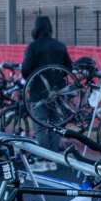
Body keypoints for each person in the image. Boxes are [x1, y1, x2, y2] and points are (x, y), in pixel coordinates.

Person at [22, 15, 72, 151]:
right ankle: (54, 157)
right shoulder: (60, 46)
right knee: (56, 125)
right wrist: (57, 77)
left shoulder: (33, 47)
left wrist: (33, 80)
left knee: (40, 127)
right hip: (58, 91)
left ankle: (43, 157)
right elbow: (69, 68)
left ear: (36, 29)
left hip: (38, 93)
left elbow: (25, 70)